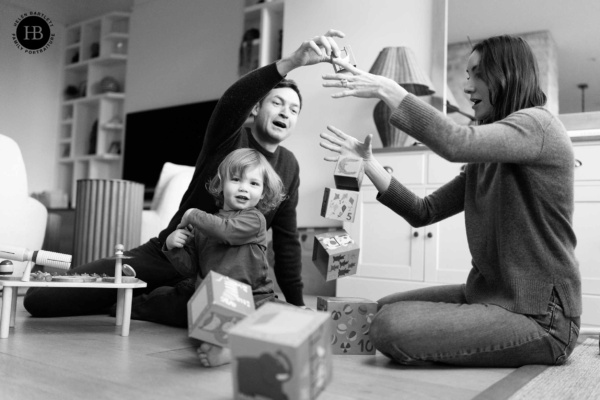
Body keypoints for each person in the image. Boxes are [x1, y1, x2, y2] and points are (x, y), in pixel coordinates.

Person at [24, 29, 347, 326]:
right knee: (41, 301)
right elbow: (231, 102)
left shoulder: (288, 166)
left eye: (294, 110)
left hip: (222, 277)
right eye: (277, 102)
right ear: (255, 110)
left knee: (224, 313)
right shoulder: (229, 138)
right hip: (170, 257)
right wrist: (291, 63)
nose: (285, 112)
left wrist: (295, 301)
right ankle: (139, 296)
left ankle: (151, 300)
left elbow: (288, 241)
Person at [319, 34, 581, 367]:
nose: (468, 87)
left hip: (542, 316)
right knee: (381, 308)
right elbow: (422, 212)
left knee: (388, 326)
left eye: (477, 74)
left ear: (507, 74)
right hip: (487, 295)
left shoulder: (540, 126)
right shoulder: (486, 158)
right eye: (467, 75)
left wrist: (388, 89)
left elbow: (454, 142)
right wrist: (368, 163)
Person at [165, 148, 285, 367]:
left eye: (253, 183)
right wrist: (173, 247)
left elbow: (225, 230)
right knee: (203, 326)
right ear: (221, 185)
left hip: (254, 298)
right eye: (236, 179)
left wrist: (192, 214)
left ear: (264, 192)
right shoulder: (204, 227)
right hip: (218, 301)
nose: (244, 188)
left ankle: (232, 346)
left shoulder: (255, 219)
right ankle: (224, 346)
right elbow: (190, 267)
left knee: (279, 324)